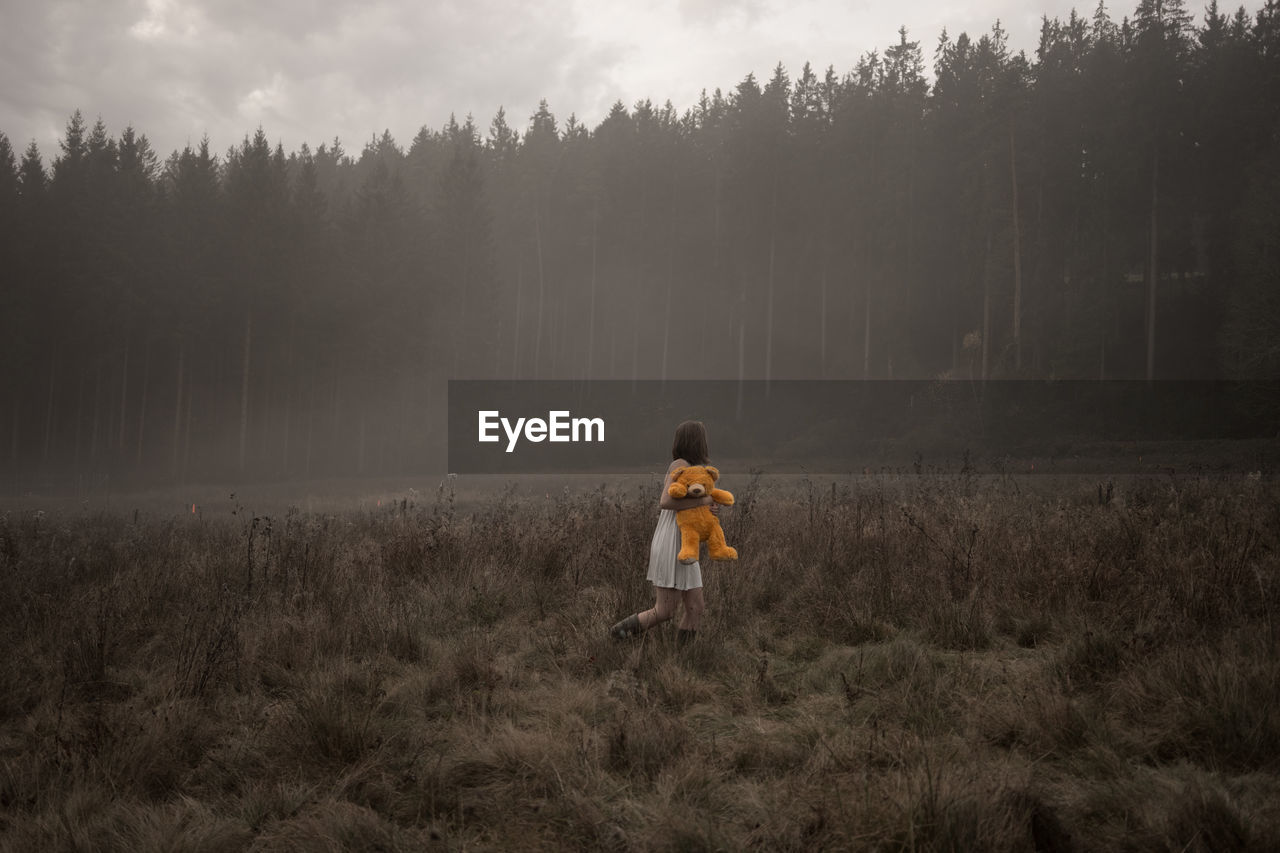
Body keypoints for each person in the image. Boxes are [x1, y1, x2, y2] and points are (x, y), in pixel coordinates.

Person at [609, 420, 723, 647]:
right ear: (697, 442)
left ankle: (681, 663)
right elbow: (665, 501)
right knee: (665, 610)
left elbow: (689, 503)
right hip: (672, 541)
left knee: (695, 608)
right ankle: (616, 635)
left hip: (684, 543)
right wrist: (705, 499)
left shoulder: (695, 470)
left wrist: (709, 508)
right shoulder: (678, 465)